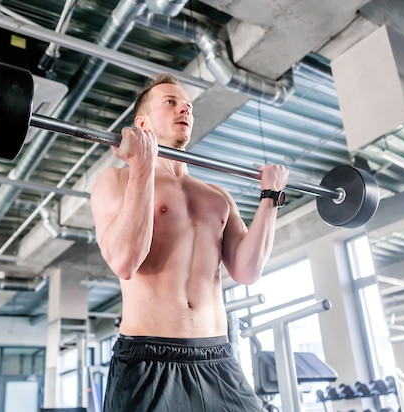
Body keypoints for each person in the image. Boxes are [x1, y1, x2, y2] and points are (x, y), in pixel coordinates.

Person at [90, 73, 290, 412]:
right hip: (147, 359)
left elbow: (247, 270)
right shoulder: (117, 179)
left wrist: (270, 198)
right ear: (143, 122)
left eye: (188, 105)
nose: (184, 108)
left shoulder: (217, 196)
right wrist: (143, 167)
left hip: (218, 357)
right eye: (170, 102)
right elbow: (124, 262)